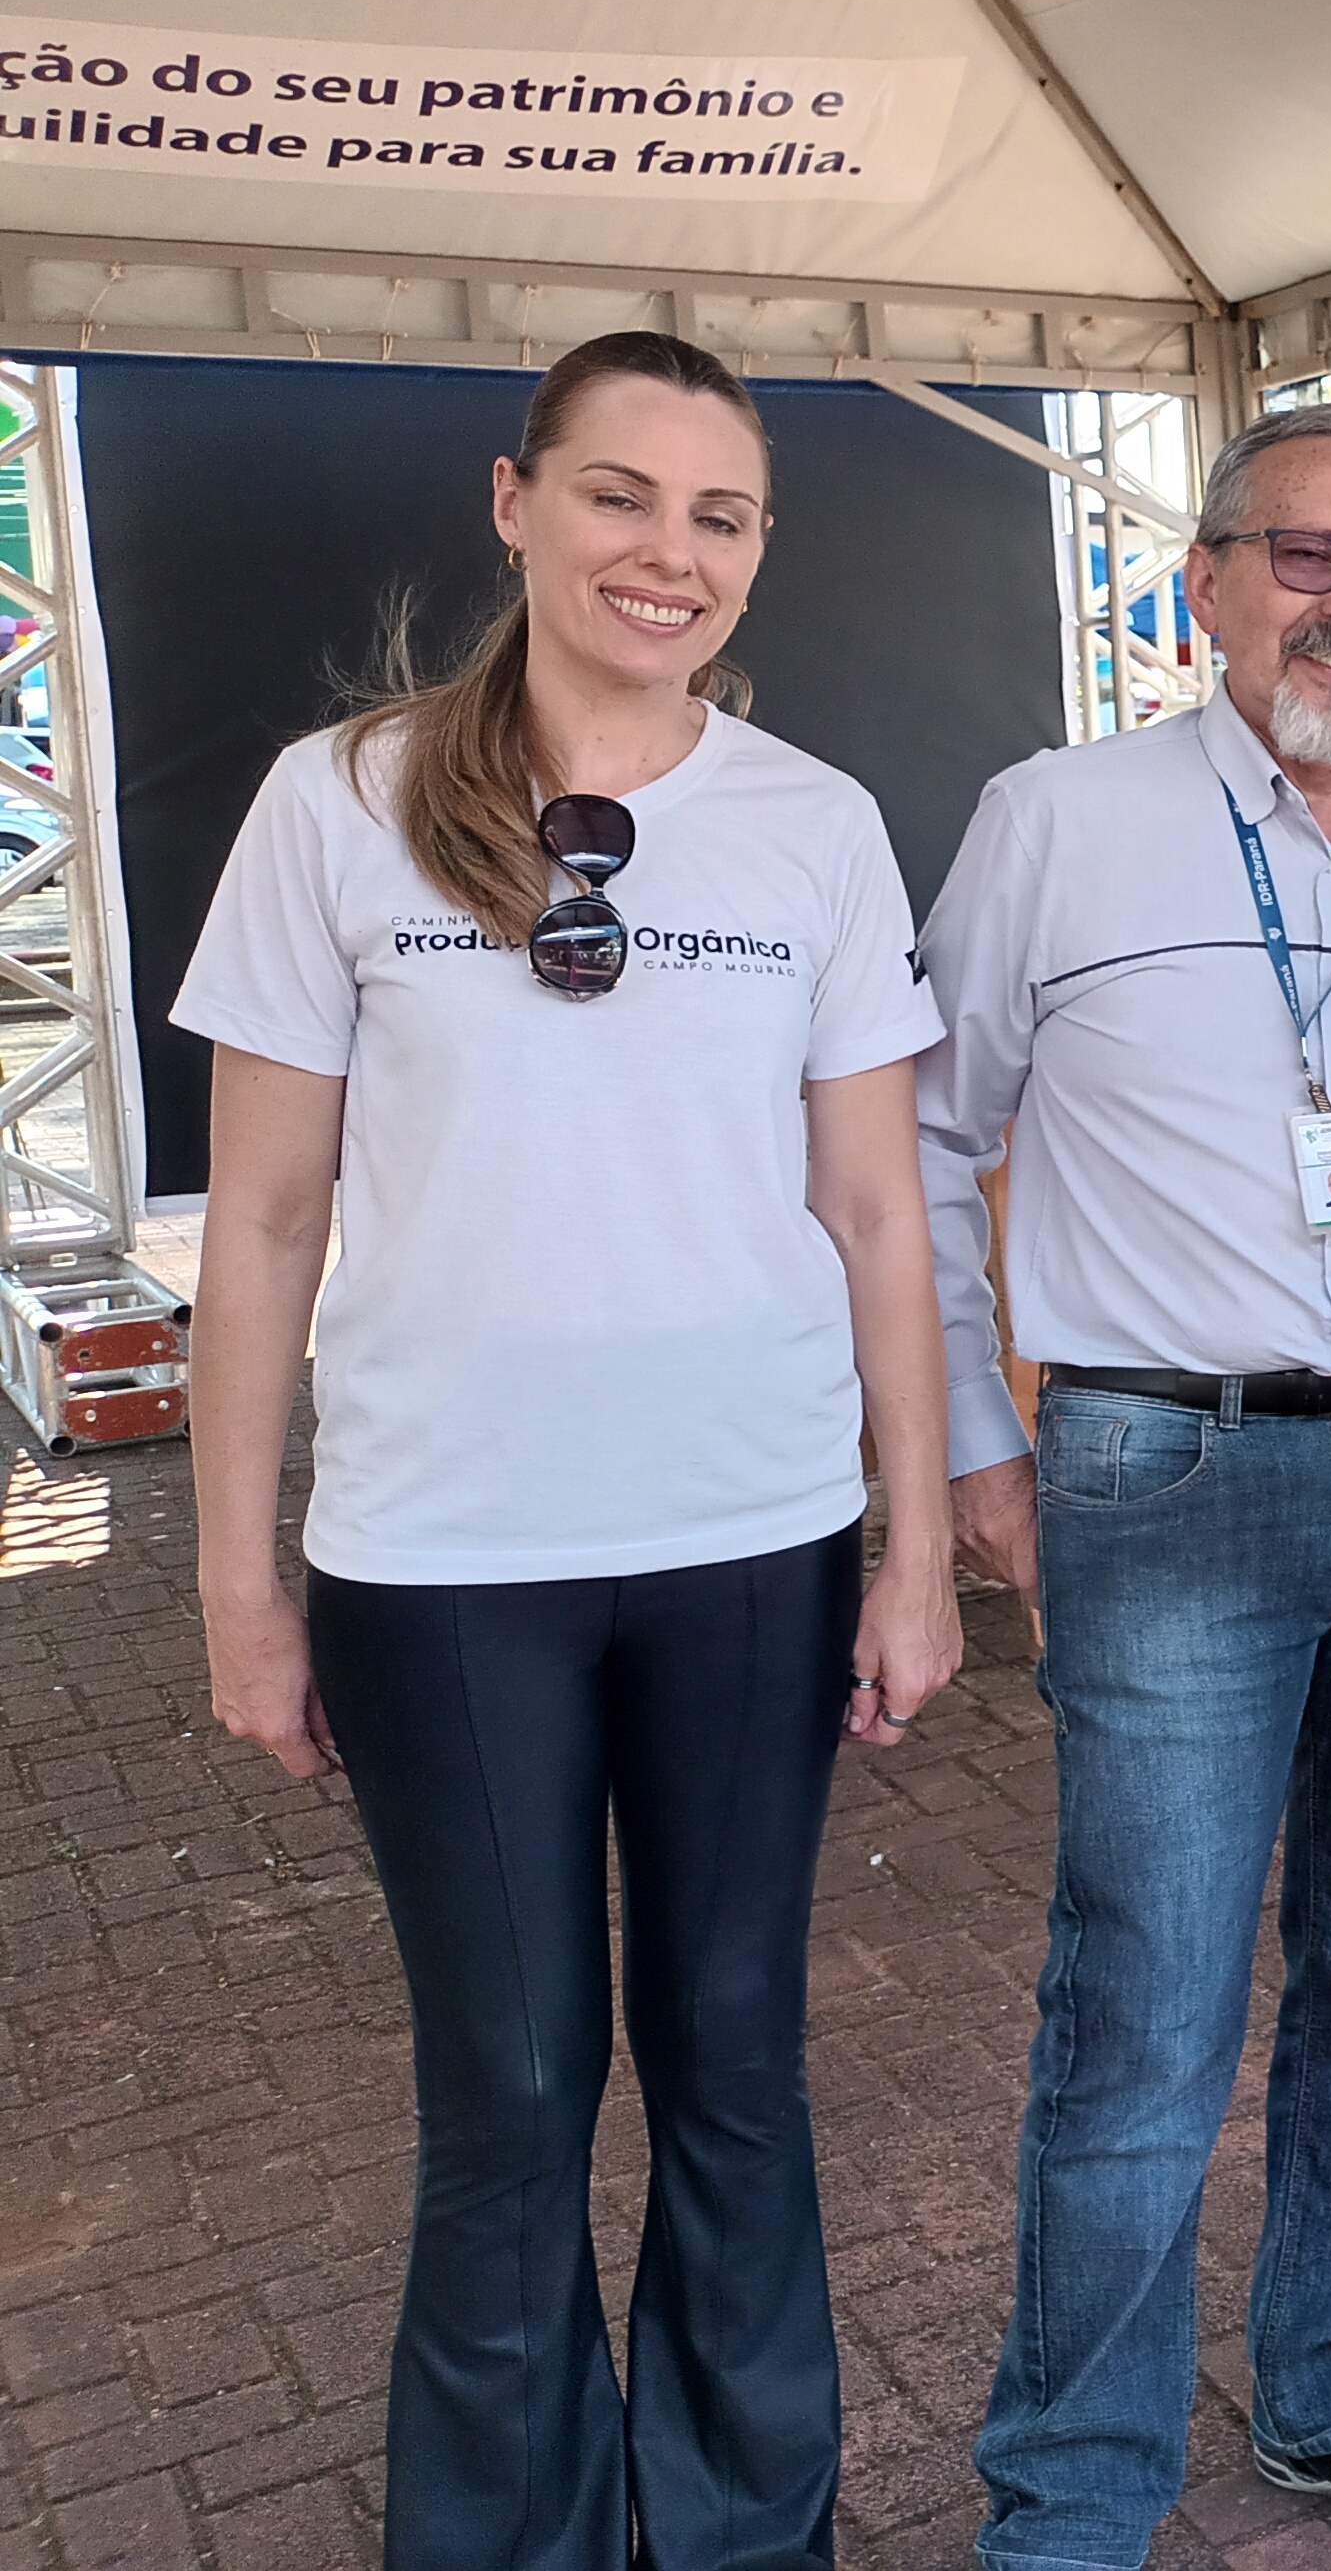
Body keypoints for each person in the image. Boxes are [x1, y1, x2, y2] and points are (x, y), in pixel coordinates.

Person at [182, 333, 958, 2571]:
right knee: (512, 2095)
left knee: (731, 2070)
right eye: (622, 497)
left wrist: (913, 1555)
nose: (669, 554)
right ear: (513, 502)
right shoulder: (341, 803)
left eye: (720, 517)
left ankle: (737, 2529)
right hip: (444, 1566)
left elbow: (880, 1212)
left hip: (751, 1537)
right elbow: (260, 1221)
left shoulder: (811, 822)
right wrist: (245, 1590)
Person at [918, 400, 1331, 2567]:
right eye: (1310, 557)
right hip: (1170, 1472)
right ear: (1203, 577)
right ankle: (1074, 2492)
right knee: (1138, 2018)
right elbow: (924, 1147)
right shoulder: (1058, 821)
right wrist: (969, 1437)